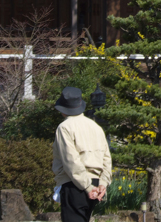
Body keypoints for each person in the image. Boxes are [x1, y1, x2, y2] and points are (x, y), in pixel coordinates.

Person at [52, 87, 112, 222]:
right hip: (96, 183)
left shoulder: (65, 127)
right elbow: (106, 159)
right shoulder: (96, 127)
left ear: (63, 109)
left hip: (75, 184)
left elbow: (71, 161)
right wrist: (103, 183)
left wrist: (87, 187)